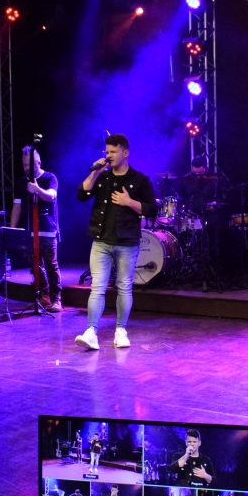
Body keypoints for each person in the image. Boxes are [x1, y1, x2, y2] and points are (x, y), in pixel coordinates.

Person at [75, 134, 158, 350]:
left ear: (125, 153)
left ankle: (121, 330)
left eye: (113, 152)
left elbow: (152, 209)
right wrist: (95, 172)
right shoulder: (102, 177)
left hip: (127, 242)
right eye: (107, 152)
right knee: (97, 287)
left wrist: (128, 202)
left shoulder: (140, 180)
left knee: (124, 287)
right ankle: (91, 331)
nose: (108, 156)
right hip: (101, 240)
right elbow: (82, 194)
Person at [10, 146, 62, 312]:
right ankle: (43, 297)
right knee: (35, 266)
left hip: (48, 229)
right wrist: (12, 230)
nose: (27, 168)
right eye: (24, 165)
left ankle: (56, 299)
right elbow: (17, 207)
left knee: (51, 265)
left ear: (38, 163)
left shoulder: (49, 177)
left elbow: (51, 196)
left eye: (30, 164)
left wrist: (37, 189)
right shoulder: (21, 182)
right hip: (30, 231)